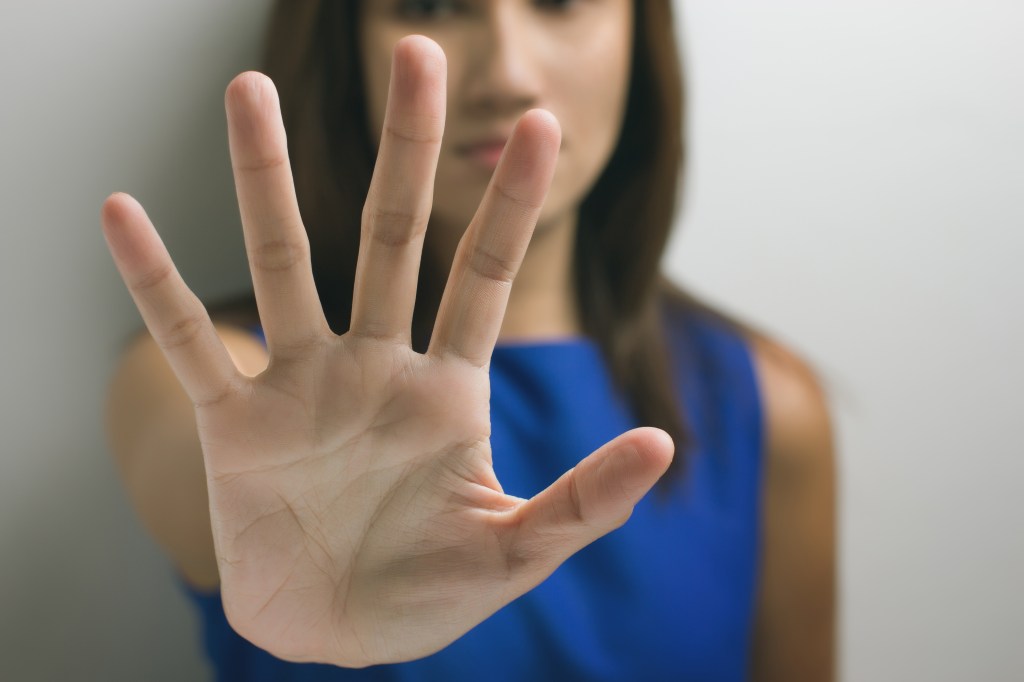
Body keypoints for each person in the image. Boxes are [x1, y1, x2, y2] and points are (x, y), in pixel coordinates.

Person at [102, 1, 835, 680]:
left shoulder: (769, 407)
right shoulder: (223, 387)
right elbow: (194, 453)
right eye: (431, 4)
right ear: (343, 43)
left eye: (559, 1)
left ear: (641, 38)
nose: (506, 76)